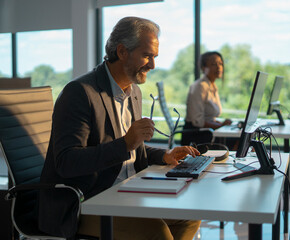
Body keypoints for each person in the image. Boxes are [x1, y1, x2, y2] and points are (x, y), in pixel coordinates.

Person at [38, 16, 201, 240]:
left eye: (154, 57)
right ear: (122, 51)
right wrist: (125, 143)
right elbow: (67, 162)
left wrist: (164, 155)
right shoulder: (79, 93)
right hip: (87, 202)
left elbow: (132, 151)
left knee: (190, 217)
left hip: (128, 191)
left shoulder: (133, 91)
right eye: (147, 56)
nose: (153, 65)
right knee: (157, 234)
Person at [181, 51, 232, 146]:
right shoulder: (200, 86)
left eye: (220, 63)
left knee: (242, 138)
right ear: (204, 68)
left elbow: (209, 117)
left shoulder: (212, 86)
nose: (219, 67)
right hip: (197, 136)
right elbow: (197, 121)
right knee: (241, 140)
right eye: (213, 64)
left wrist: (223, 124)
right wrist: (221, 126)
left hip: (207, 132)